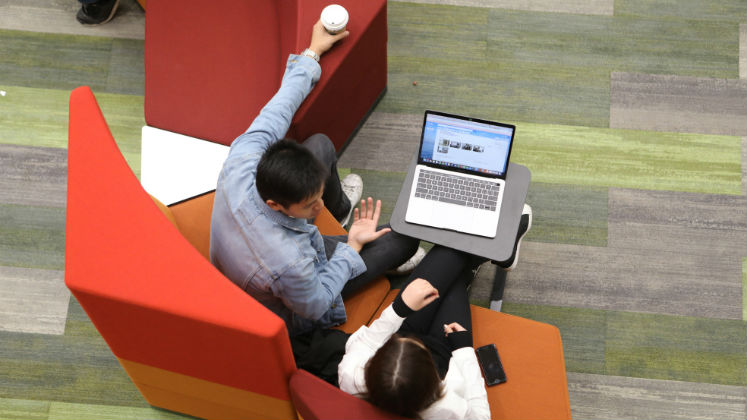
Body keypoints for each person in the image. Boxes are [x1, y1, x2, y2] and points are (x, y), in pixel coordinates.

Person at [209, 20, 420, 337]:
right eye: (310, 205)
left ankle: (342, 212)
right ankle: (362, 243)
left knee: (319, 144)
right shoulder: (289, 262)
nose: (318, 207)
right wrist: (352, 248)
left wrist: (312, 53)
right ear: (275, 204)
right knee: (403, 240)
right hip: (291, 301)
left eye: (320, 198)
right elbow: (318, 303)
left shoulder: (243, 159)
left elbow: (277, 110)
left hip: (252, 254)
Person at [338, 246, 492, 419]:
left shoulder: (351, 376)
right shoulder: (448, 407)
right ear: (434, 381)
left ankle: (471, 264)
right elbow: (481, 416)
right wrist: (464, 350)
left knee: (448, 251)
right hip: (442, 356)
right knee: (455, 266)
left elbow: (366, 342)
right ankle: (472, 265)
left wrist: (399, 309)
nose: (414, 340)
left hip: (405, 332)